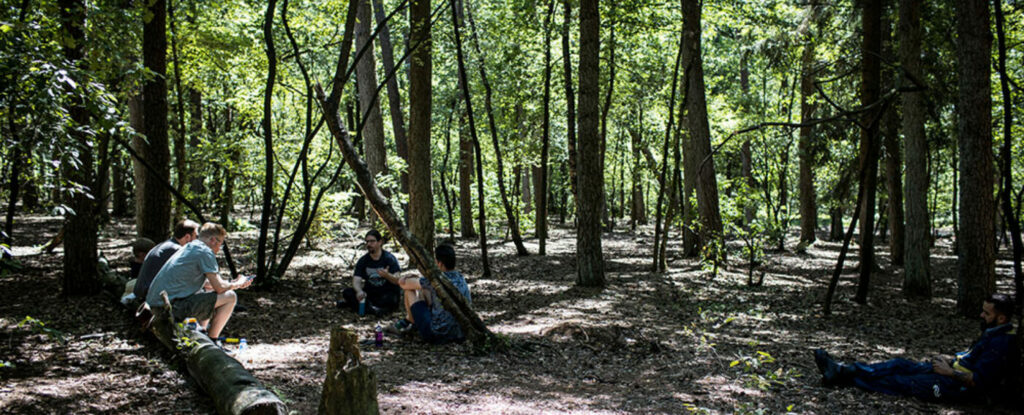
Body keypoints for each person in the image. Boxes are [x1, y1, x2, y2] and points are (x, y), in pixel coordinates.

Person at [814, 293, 1019, 403]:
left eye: (987, 313)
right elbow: (971, 358)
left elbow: (980, 381)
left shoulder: (1001, 344)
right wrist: (950, 360)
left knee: (901, 382)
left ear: (1001, 318)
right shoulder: (993, 332)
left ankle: (843, 377)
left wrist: (950, 371)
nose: (982, 316)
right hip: (949, 372)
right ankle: (843, 370)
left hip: (958, 388)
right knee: (898, 364)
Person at [145, 222, 251, 339]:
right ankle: (213, 340)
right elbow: (220, 287)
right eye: (220, 244)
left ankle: (202, 333)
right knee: (230, 297)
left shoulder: (190, 247)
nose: (219, 249)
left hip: (155, 306)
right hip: (166, 310)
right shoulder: (205, 252)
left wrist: (231, 282)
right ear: (213, 240)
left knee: (206, 292)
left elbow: (206, 284)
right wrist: (238, 284)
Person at [386, 244, 472, 344]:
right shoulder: (460, 277)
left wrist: (407, 276)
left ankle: (410, 321)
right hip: (460, 333)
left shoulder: (436, 280)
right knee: (424, 291)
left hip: (437, 334)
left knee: (409, 291)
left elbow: (403, 284)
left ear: (439, 263)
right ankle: (411, 322)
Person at [338, 230, 402, 315]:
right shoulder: (363, 260)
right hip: (371, 293)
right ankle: (373, 309)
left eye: (372, 241)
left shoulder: (389, 258)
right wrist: (359, 291)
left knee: (391, 298)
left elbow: (397, 280)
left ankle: (366, 307)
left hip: (386, 293)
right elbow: (356, 280)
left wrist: (387, 275)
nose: (369, 244)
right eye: (367, 242)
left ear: (380, 242)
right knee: (347, 292)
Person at [133, 219, 200, 300]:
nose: (198, 240)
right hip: (149, 297)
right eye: (196, 236)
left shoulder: (167, 245)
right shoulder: (176, 250)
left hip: (144, 292)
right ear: (187, 237)